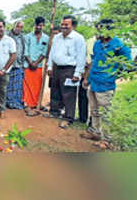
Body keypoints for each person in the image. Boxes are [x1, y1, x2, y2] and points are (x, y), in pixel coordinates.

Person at [80, 19, 131, 149]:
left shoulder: (118, 45)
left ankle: (107, 139)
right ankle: (95, 132)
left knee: (105, 112)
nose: (98, 32)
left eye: (100, 30)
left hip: (106, 84)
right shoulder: (97, 44)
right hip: (93, 81)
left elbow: (127, 64)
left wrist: (114, 74)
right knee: (94, 110)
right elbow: (93, 62)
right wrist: (86, 78)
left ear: (108, 30)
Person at [47, 15, 86, 129]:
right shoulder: (57, 37)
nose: (63, 27)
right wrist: (50, 66)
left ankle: (68, 117)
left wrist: (77, 73)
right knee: (55, 90)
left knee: (68, 94)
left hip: (70, 69)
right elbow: (52, 53)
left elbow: (81, 57)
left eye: (66, 25)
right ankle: (54, 112)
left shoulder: (78, 38)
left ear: (73, 26)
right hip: (56, 68)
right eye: (62, 24)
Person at [23, 17, 49, 117]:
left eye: (41, 25)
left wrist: (36, 63)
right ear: (34, 25)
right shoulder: (28, 37)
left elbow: (44, 52)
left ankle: (36, 104)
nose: (39, 27)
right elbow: (25, 51)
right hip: (28, 65)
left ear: (43, 26)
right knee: (27, 85)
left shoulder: (46, 38)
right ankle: (27, 104)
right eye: (37, 25)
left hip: (38, 66)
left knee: (37, 85)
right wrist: (30, 63)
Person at [6, 21, 25, 110]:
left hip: (19, 64)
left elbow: (24, 50)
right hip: (9, 64)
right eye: (17, 26)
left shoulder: (22, 37)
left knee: (17, 86)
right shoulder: (7, 36)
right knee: (8, 85)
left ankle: (16, 103)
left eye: (21, 27)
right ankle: (8, 102)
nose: (19, 28)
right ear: (14, 26)